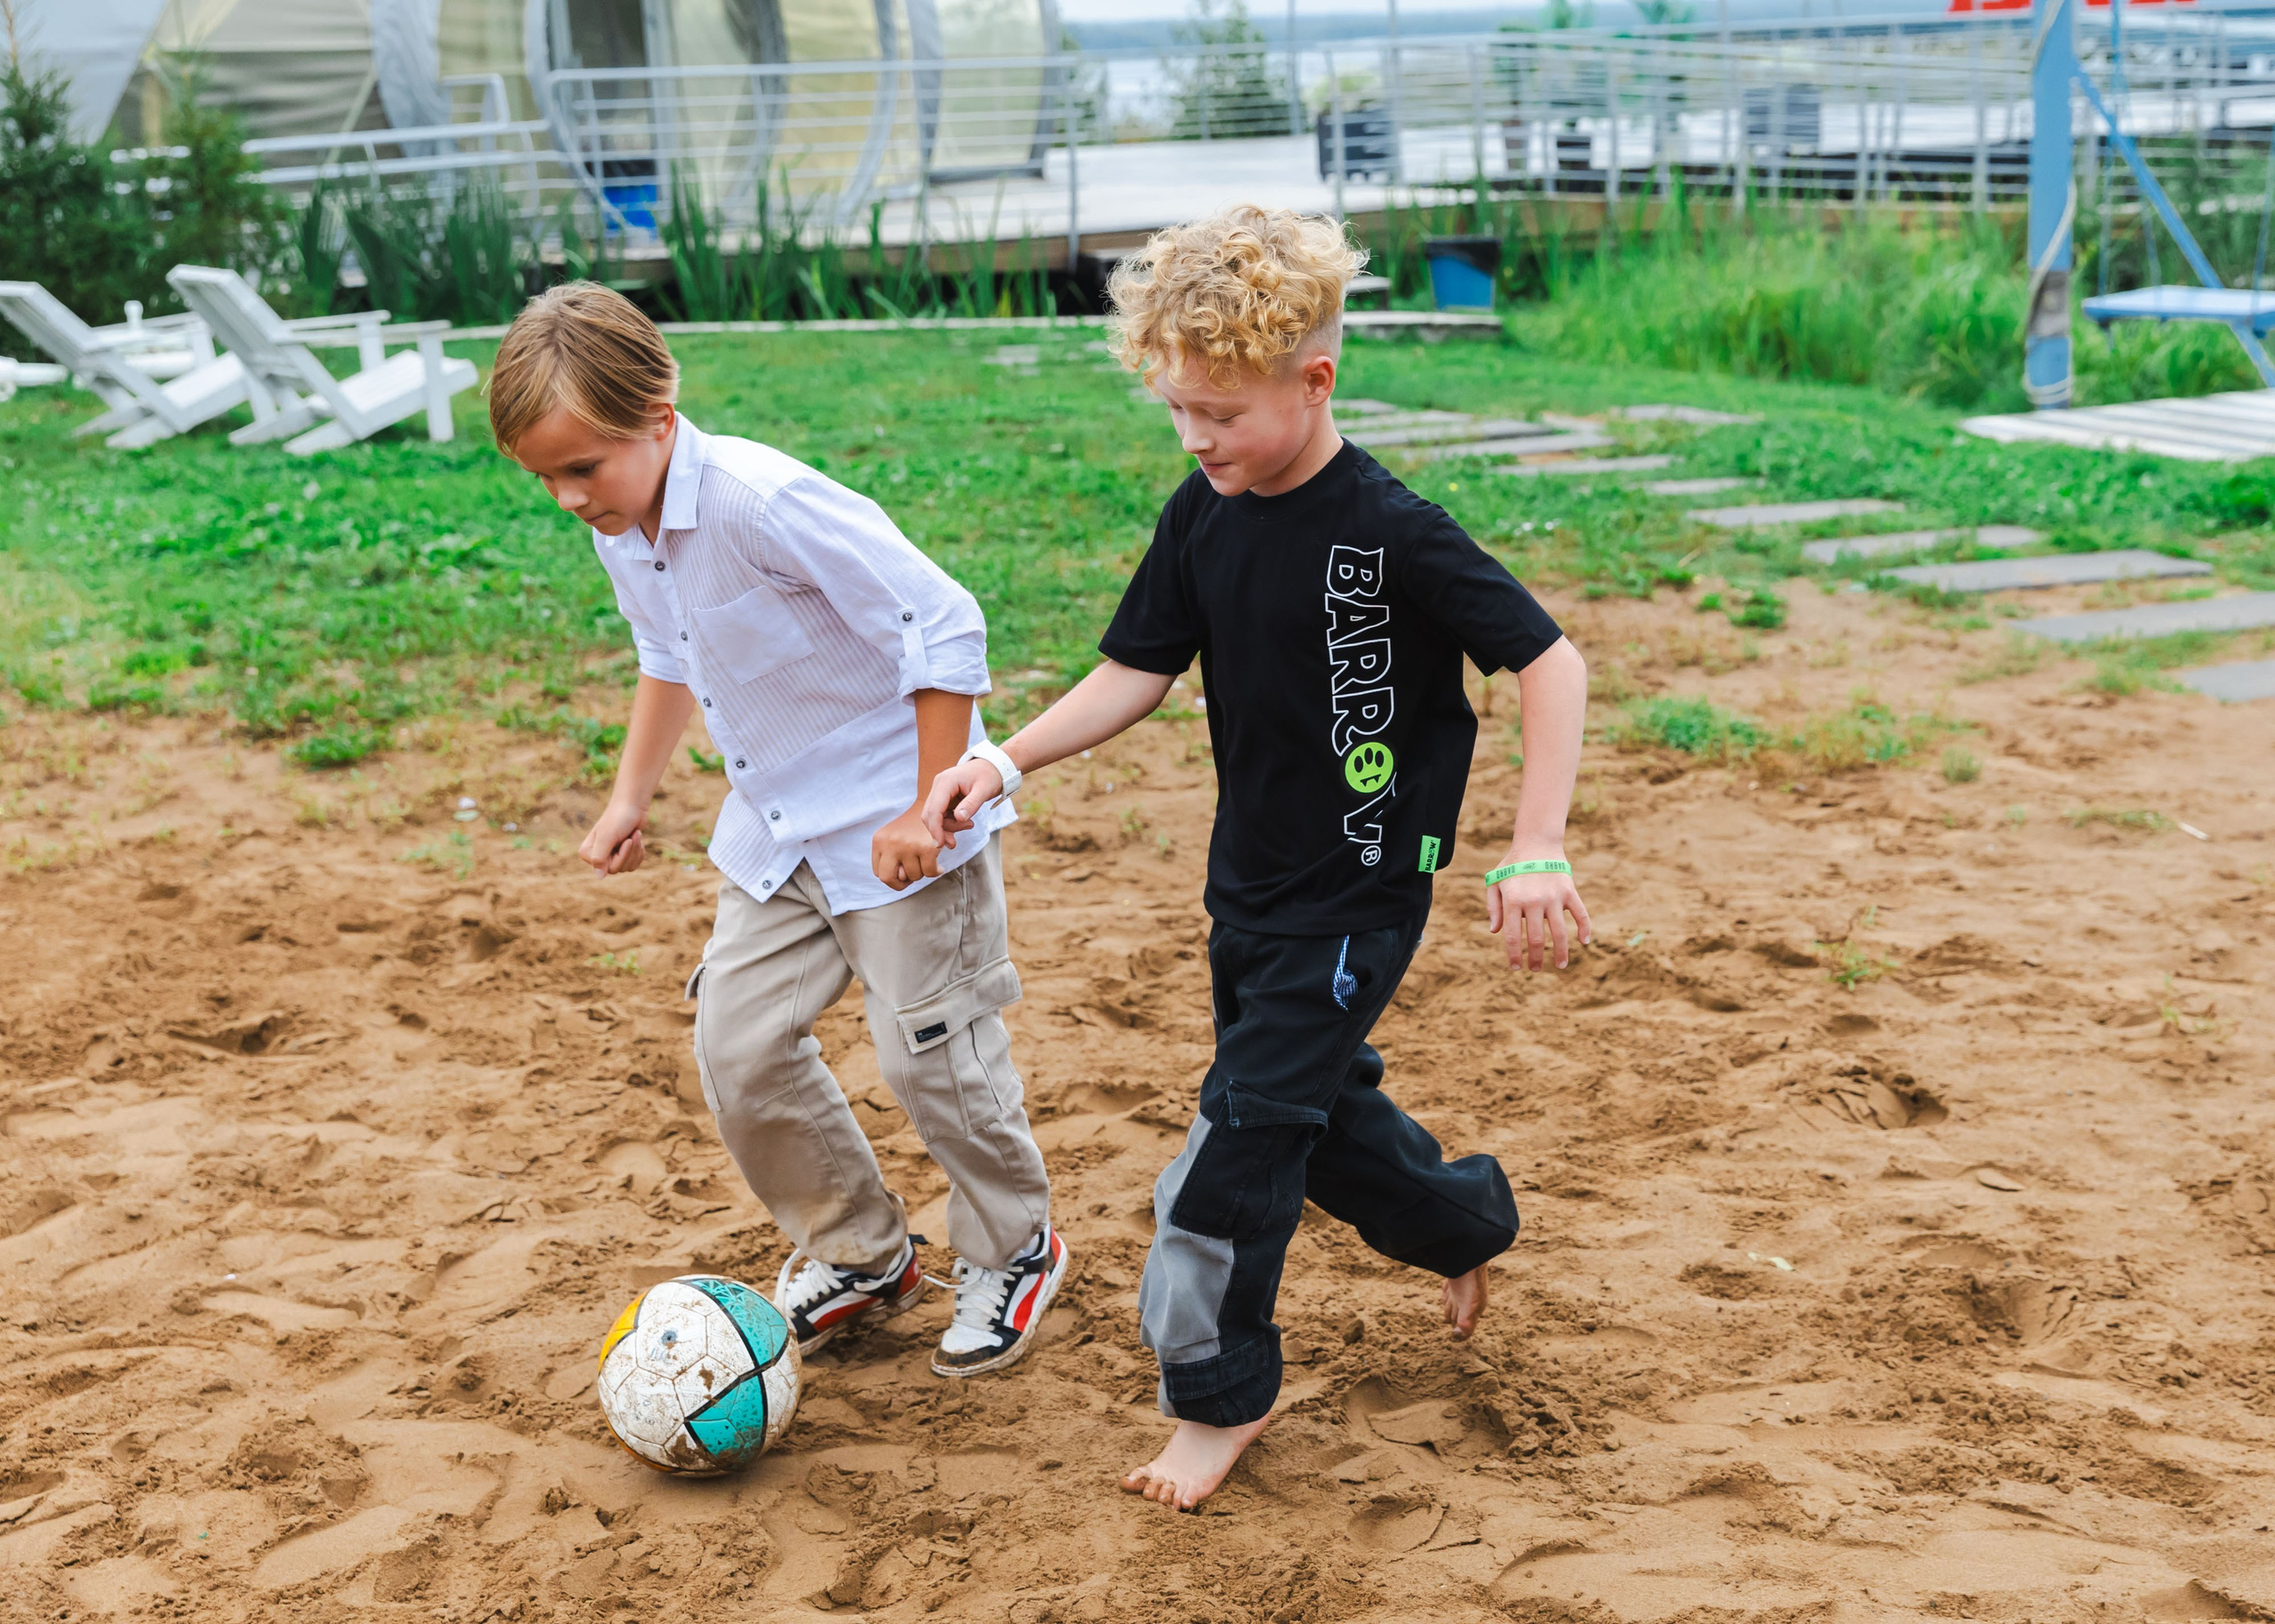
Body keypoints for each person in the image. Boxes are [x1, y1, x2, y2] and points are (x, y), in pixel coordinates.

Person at [922, 207, 1591, 1509]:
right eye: (1176, 410)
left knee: (1226, 1164)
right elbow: (1137, 669)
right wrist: (1003, 764)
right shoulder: (1204, 511)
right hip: (1250, 895)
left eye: (1220, 413)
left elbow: (1549, 662)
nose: (1195, 439)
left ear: (1314, 380)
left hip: (1358, 903)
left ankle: (1221, 1394)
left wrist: (1538, 847)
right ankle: (1460, 1225)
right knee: (1317, 1120)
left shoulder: (1394, 528)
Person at [489, 282, 1066, 1379]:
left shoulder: (761, 500)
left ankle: (1014, 1244)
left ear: (659, 417)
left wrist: (926, 801)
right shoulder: (627, 522)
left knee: (928, 1055)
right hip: (775, 828)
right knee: (738, 1047)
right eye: (544, 478)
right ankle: (858, 1251)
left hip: (901, 821)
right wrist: (630, 797)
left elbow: (940, 621)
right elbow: (669, 657)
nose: (568, 498)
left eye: (581, 468)